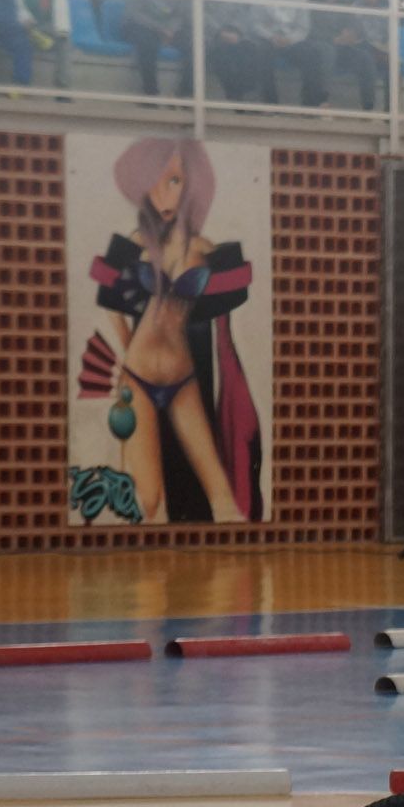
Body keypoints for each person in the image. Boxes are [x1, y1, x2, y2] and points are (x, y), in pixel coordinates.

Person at [88, 139, 263, 523]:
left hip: (183, 379)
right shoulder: (133, 247)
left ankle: (233, 581)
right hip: (138, 378)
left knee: (223, 500)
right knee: (148, 501)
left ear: (192, 185)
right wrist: (126, 352)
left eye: (174, 181)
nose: (162, 193)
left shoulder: (206, 249)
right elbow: (109, 304)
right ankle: (147, 582)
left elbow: (228, 312)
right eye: (153, 183)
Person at [251, 0, 329, 107]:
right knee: (260, 52)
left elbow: (303, 28)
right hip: (268, 39)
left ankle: (310, 106)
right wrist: (271, 36)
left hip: (291, 41)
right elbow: (256, 23)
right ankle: (270, 105)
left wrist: (290, 40)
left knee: (312, 54)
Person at [118, 0, 185, 97]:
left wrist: (171, 30)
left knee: (193, 40)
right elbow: (135, 13)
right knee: (147, 40)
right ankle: (151, 92)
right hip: (137, 26)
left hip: (166, 29)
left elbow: (179, 15)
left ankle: (186, 93)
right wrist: (161, 29)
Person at [332, 0, 388, 110]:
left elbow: (389, 35)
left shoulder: (389, 10)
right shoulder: (351, 9)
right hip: (359, 50)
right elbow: (352, 37)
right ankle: (368, 108)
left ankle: (391, 113)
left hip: (381, 50)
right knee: (366, 58)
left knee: (394, 67)